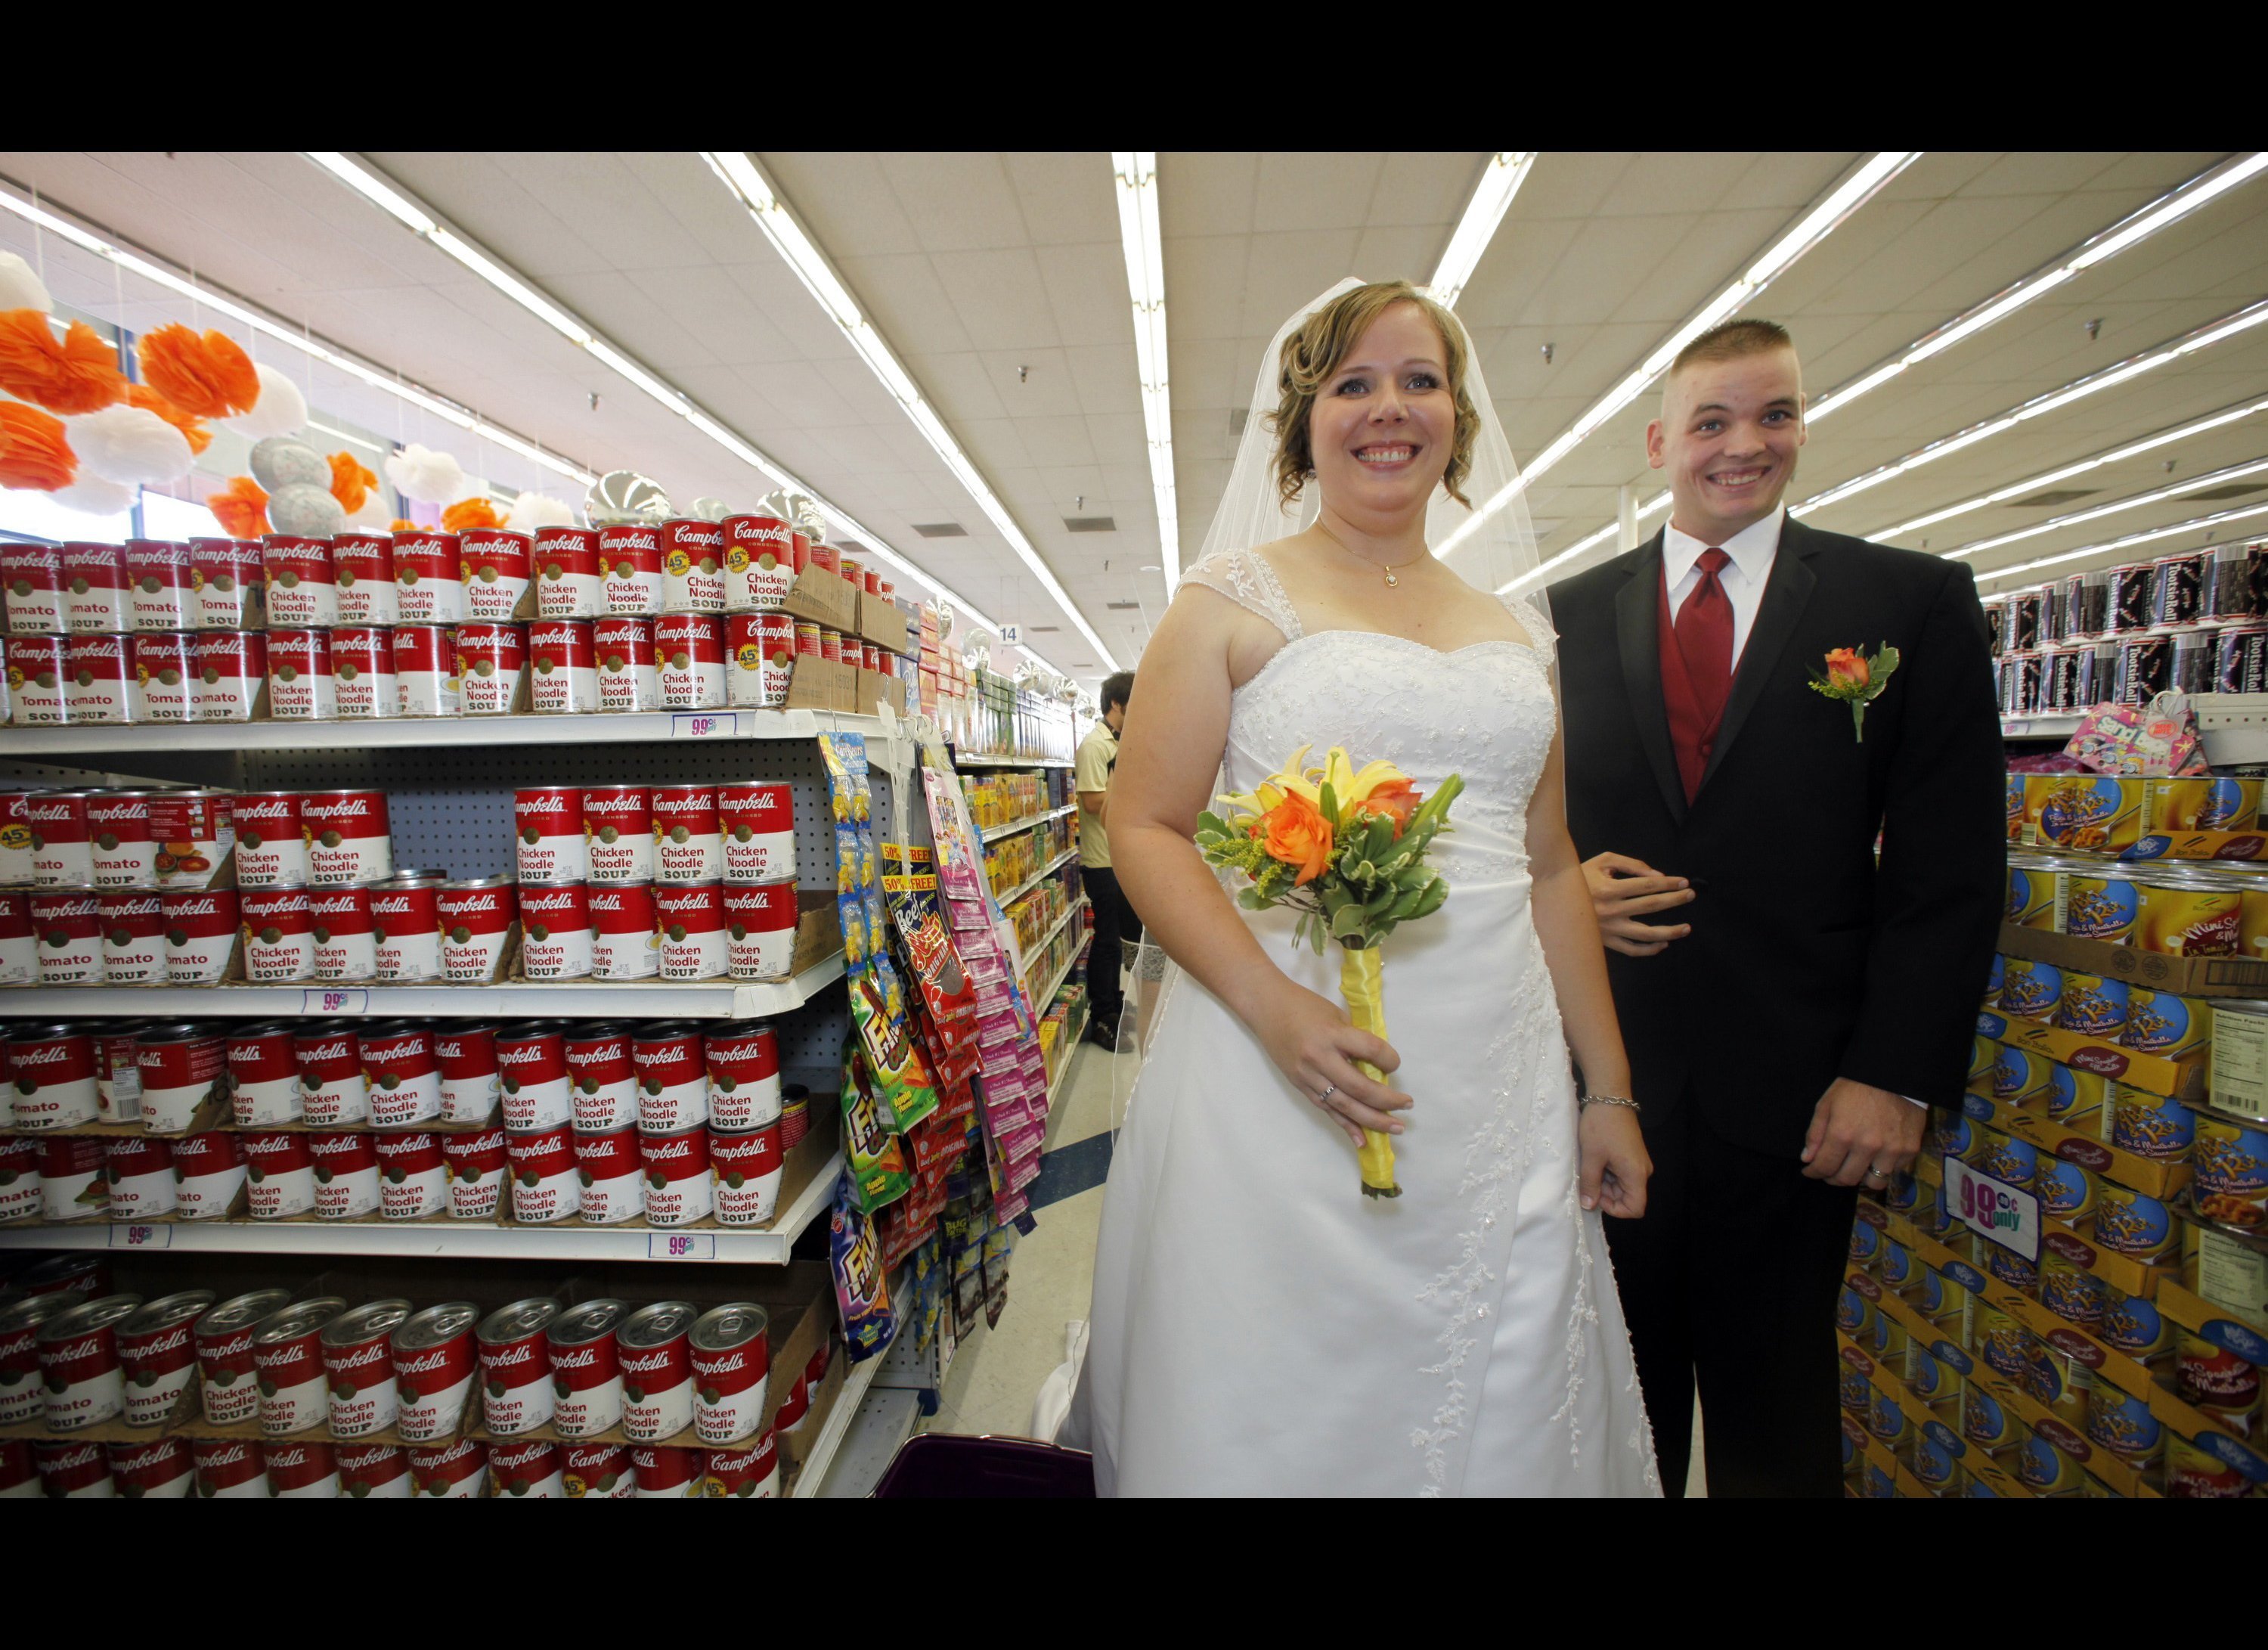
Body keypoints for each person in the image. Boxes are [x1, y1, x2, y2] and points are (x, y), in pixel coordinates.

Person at [1069, 278, 1659, 1496]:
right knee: (1287, 1378)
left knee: (1501, 1378)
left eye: (1420, 380)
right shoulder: (1232, 600)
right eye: (1354, 383)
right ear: (1306, 420)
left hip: (1495, 1081)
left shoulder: (1517, 630)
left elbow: (1548, 864)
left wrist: (1610, 1090)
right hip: (1279, 1051)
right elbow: (1147, 821)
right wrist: (1277, 1010)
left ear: (1457, 416)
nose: (1390, 408)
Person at [1551, 318, 2003, 1497]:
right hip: (1604, 1084)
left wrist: (1896, 1071)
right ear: (1661, 440)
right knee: (1606, 1399)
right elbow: (1509, 829)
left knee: (1780, 1407)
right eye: (1712, 420)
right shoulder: (1559, 618)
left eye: (1776, 415)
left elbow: (1950, 867)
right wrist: (1556, 894)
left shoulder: (1906, 600)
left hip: (1808, 1095)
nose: (1745, 445)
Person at [1077, 671, 1140, 1048]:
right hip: (1101, 860)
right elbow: (1091, 800)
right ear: (1117, 704)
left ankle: (1114, 1002)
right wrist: (1133, 798)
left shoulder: (1121, 743)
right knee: (1106, 941)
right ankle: (1102, 1015)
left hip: (1118, 857)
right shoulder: (1095, 746)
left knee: (1116, 940)